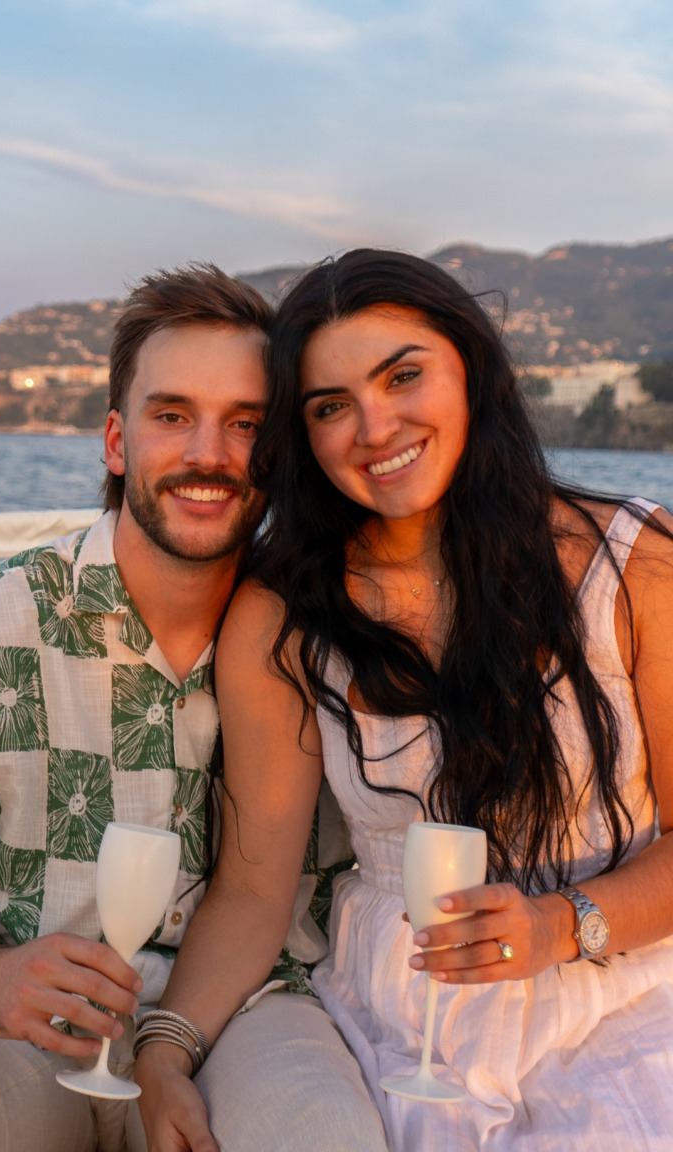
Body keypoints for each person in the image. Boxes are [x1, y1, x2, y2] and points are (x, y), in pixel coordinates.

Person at [154, 248, 673, 1151]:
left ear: (468, 368)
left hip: (622, 995)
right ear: (303, 436)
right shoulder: (285, 615)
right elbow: (251, 889)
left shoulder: (632, 562)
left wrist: (562, 923)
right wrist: (163, 1051)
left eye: (404, 376)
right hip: (398, 1019)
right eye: (330, 407)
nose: (375, 425)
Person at [0, 263, 386, 1152]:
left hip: (254, 1011)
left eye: (245, 424)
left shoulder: (324, 637)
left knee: (326, 1139)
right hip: (19, 1021)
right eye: (174, 416)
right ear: (117, 442)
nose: (209, 453)